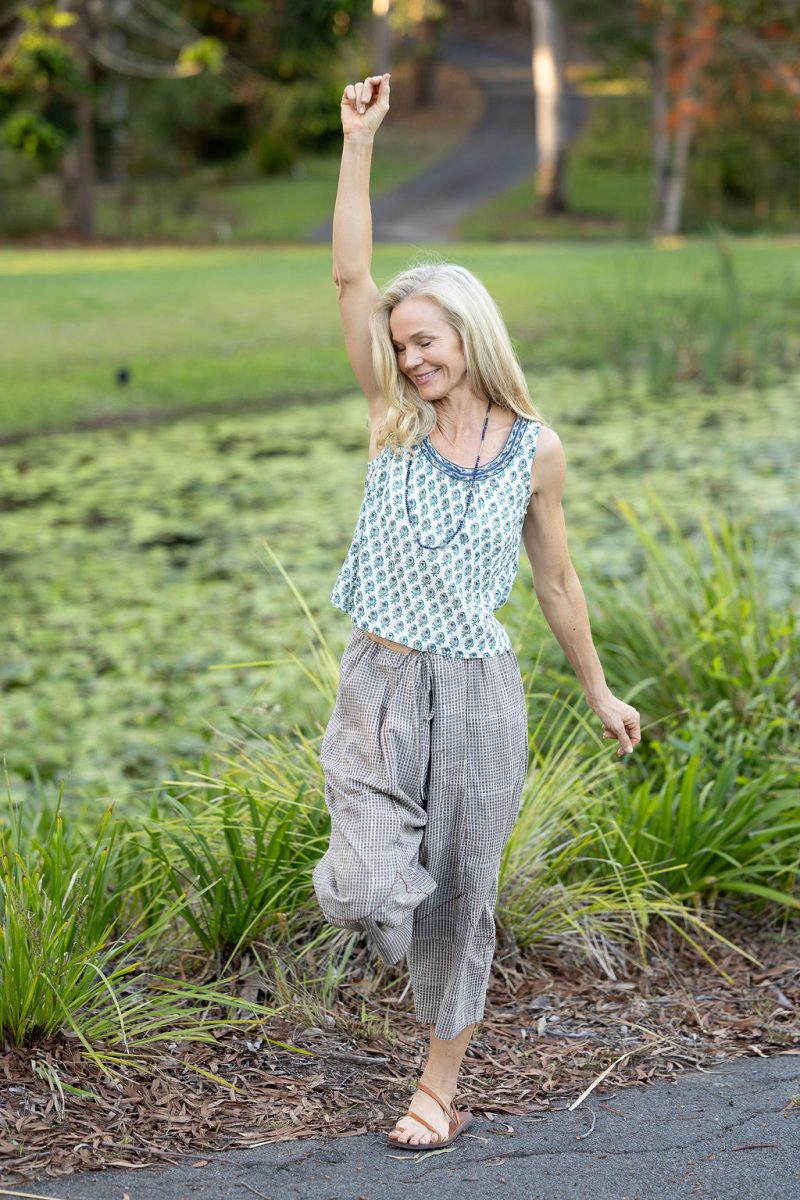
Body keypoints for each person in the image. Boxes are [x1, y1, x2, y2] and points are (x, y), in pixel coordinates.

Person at [312, 72, 641, 1151]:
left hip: (481, 692)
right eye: (401, 341)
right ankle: (393, 918)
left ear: (467, 329)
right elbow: (350, 272)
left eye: (427, 336)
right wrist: (358, 141)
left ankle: (436, 1089)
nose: (411, 354)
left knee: (468, 896)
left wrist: (595, 689)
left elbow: (555, 582)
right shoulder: (388, 422)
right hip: (381, 677)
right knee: (368, 891)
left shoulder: (534, 451)